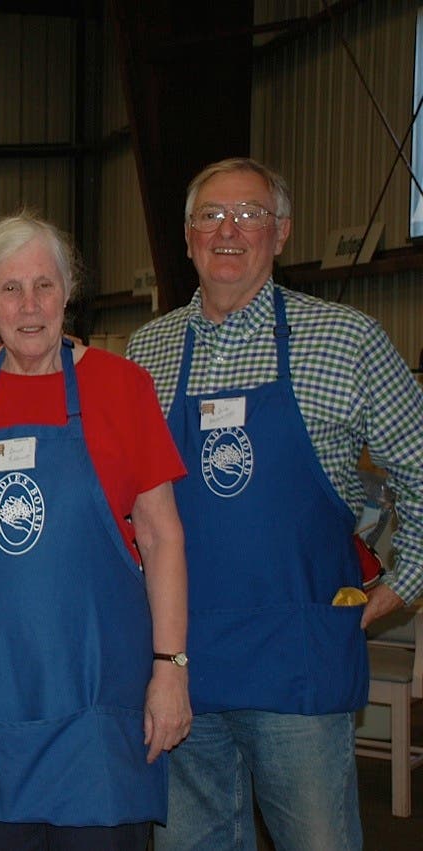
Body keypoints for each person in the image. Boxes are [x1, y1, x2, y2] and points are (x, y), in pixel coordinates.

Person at [126, 157, 423, 851]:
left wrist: (402, 586)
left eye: (250, 214)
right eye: (211, 215)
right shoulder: (148, 350)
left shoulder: (345, 341)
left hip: (299, 662)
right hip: (181, 665)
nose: (229, 230)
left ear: (282, 232)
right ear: (189, 234)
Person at [0, 213, 192, 850]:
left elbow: (162, 537)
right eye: (11, 289)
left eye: (45, 286)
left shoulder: (122, 386)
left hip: (100, 710)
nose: (29, 306)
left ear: (68, 294)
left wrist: (171, 670)